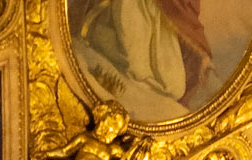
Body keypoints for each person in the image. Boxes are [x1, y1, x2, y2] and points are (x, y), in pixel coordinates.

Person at [74, 0, 215, 114]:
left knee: (174, 85)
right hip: (132, 6)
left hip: (160, 17)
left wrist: (201, 52)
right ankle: (96, 34)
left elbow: (185, 11)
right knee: (134, 65)